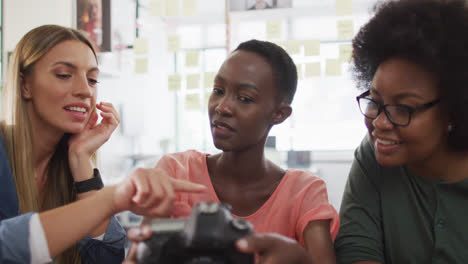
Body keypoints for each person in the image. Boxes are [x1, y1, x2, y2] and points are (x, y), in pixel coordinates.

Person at [0, 24, 206, 264]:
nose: (85, 91)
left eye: (92, 79)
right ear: (25, 85)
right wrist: (110, 199)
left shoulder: (67, 165)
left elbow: (106, 259)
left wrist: (80, 159)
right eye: (64, 75)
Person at [126, 39, 339, 264]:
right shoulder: (176, 173)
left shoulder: (303, 193)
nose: (222, 107)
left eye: (245, 98)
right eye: (218, 90)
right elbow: (142, 256)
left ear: (279, 114)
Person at [334, 0, 468, 263]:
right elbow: (356, 250)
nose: (380, 123)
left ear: (454, 110)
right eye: (375, 101)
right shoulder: (374, 153)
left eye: (403, 108)